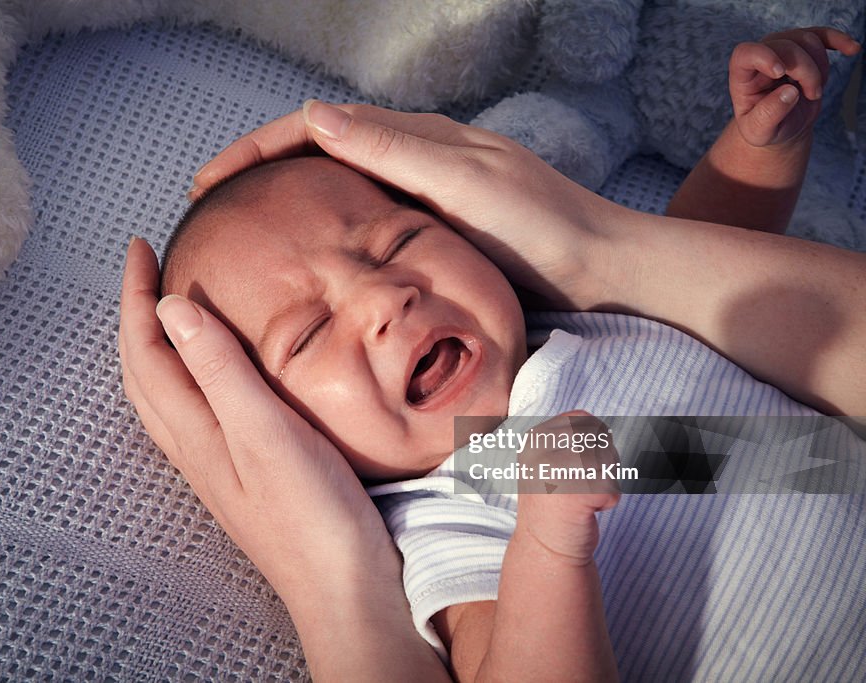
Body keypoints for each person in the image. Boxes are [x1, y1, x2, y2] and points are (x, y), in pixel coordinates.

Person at [120, 27, 864, 681]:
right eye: (308, 333)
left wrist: (762, 147)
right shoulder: (441, 514)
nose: (386, 299)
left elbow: (706, 282)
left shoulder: (550, 316)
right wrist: (546, 549)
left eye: (396, 242)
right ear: (276, 428)